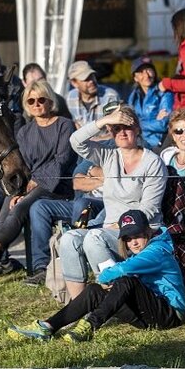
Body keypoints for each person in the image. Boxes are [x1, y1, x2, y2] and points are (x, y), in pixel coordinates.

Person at [7, 209, 185, 342]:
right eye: (128, 239)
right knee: (94, 290)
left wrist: (104, 278)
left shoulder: (157, 251)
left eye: (137, 236)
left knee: (125, 280)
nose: (133, 243)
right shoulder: (143, 248)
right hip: (147, 315)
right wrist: (103, 284)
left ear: (148, 231)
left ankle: (90, 325)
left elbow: (123, 269)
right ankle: (47, 327)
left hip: (169, 315)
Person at [58, 104, 166, 301]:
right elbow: (76, 141)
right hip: (110, 229)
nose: (122, 133)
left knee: (94, 238)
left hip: (141, 229)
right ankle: (79, 305)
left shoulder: (152, 162)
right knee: (68, 239)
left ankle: (114, 297)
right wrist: (105, 121)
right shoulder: (108, 156)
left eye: (127, 127)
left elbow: (149, 208)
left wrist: (123, 224)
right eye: (116, 128)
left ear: (138, 129)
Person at [0, 80, 76, 269]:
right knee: (6, 211)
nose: (36, 105)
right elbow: (22, 165)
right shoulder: (25, 132)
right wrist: (18, 192)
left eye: (41, 99)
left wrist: (34, 183)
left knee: (20, 208)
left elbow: (62, 160)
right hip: (28, 184)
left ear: (50, 101)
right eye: (31, 101)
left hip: (56, 184)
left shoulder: (65, 125)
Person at [127, 56, 174, 150]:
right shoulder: (133, 96)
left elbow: (163, 124)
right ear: (135, 78)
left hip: (159, 143)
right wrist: (154, 120)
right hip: (139, 142)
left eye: (149, 70)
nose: (146, 75)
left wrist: (138, 124)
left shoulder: (164, 93)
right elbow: (129, 122)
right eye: (141, 72)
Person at [65, 60, 120, 129]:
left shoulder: (110, 96)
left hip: (105, 139)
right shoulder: (69, 98)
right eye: (86, 79)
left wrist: (98, 139)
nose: (91, 81)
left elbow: (117, 129)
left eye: (92, 76)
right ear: (74, 83)